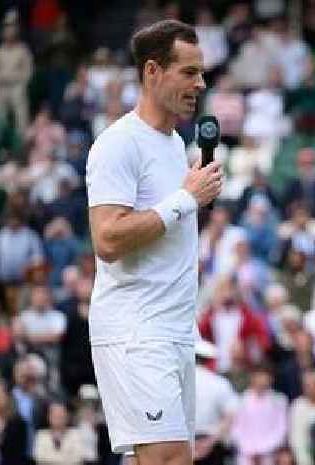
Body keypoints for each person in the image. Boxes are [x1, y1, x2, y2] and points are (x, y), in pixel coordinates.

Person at [86, 19, 223, 465]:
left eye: (201, 73)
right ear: (152, 72)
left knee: (160, 458)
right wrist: (186, 199)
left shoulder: (172, 145)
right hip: (136, 331)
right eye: (188, 72)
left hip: (174, 332)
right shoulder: (118, 143)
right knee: (168, 458)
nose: (199, 84)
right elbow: (107, 238)